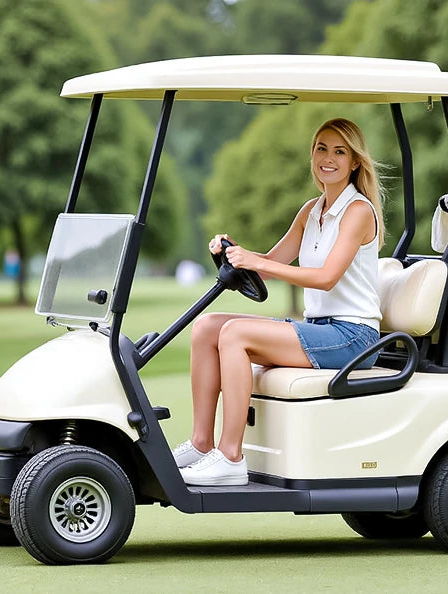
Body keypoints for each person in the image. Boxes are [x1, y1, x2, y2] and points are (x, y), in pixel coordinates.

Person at [173, 118, 386, 486]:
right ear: (312, 155)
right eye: (321, 149)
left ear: (354, 162)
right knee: (207, 327)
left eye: (340, 152)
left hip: (354, 337)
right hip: (321, 330)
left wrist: (256, 263)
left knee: (235, 334)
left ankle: (230, 456)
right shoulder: (311, 211)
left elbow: (326, 277)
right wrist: (233, 252)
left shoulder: (358, 211)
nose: (328, 158)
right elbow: (271, 264)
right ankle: (201, 442)